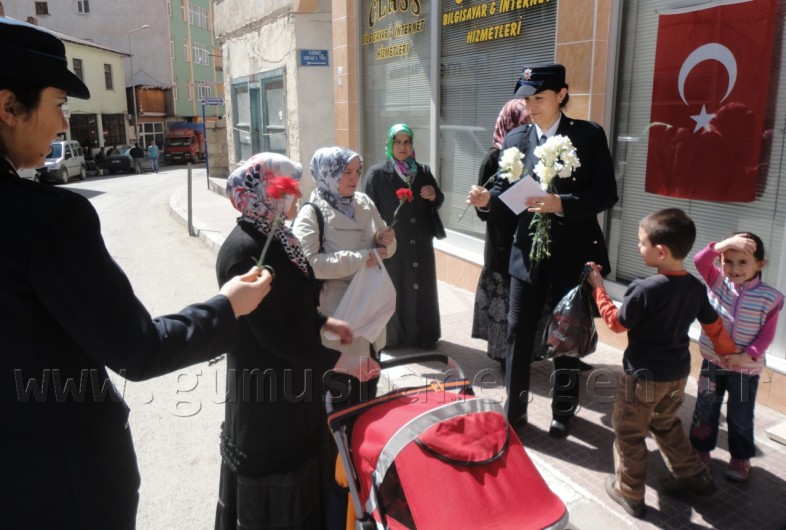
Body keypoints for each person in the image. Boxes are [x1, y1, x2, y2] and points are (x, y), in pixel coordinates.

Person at [0, 18, 271, 530]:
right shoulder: (46, 218)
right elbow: (137, 349)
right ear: (9, 106)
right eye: (58, 104)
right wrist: (227, 306)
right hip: (64, 485)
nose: (62, 124)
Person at [215, 152, 374, 530]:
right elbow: (272, 334)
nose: (297, 194)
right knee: (276, 502)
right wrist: (338, 362)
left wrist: (327, 321)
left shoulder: (278, 237)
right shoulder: (244, 249)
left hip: (295, 388)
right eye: (287, 185)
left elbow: (293, 303)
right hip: (267, 399)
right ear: (262, 190)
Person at [469, 64, 618, 436]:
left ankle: (563, 411)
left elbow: (605, 194)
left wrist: (561, 203)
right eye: (527, 98)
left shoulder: (587, 135)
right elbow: (507, 193)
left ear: (561, 95)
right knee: (518, 330)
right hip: (526, 254)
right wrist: (488, 200)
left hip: (571, 252)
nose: (531, 105)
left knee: (565, 334)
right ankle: (514, 409)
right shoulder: (517, 137)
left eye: (540, 97)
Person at [586, 208, 737, 518]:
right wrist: (728, 353)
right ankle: (693, 475)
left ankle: (629, 491)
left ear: (661, 250)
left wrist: (598, 287)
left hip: (641, 377)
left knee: (628, 430)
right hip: (677, 373)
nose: (638, 247)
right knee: (665, 422)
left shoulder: (644, 289)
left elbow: (616, 323)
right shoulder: (695, 287)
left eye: (642, 243)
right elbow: (714, 325)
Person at [293, 146, 396, 386]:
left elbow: (386, 247)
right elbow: (308, 263)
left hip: (371, 305)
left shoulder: (364, 202)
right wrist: (361, 258)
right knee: (342, 386)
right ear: (328, 173)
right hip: (339, 309)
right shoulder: (312, 212)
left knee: (369, 380)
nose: (354, 178)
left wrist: (386, 240)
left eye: (357, 171)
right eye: (346, 172)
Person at [689, 232, 784, 482]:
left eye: (743, 262)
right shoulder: (716, 281)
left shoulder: (770, 298)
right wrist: (724, 245)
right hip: (713, 364)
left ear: (760, 264)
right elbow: (700, 260)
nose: (734, 268)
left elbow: (766, 336)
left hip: (745, 371)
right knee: (705, 409)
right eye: (728, 260)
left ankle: (740, 458)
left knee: (740, 415)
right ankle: (700, 452)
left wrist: (745, 357)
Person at [363, 123, 445, 349]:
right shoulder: (377, 174)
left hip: (421, 241)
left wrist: (433, 195)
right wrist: (378, 234)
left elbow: (439, 200)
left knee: (423, 287)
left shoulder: (423, 171)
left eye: (407, 142)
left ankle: (425, 336)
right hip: (394, 243)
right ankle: (393, 338)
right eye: (397, 142)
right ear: (389, 144)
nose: (402, 146)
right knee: (396, 287)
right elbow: (366, 208)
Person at [469, 98, 530, 370]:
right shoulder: (495, 157)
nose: (527, 129)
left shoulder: (534, 154)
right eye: (523, 122)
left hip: (527, 238)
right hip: (504, 241)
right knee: (503, 302)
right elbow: (482, 211)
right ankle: (502, 355)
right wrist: (497, 202)